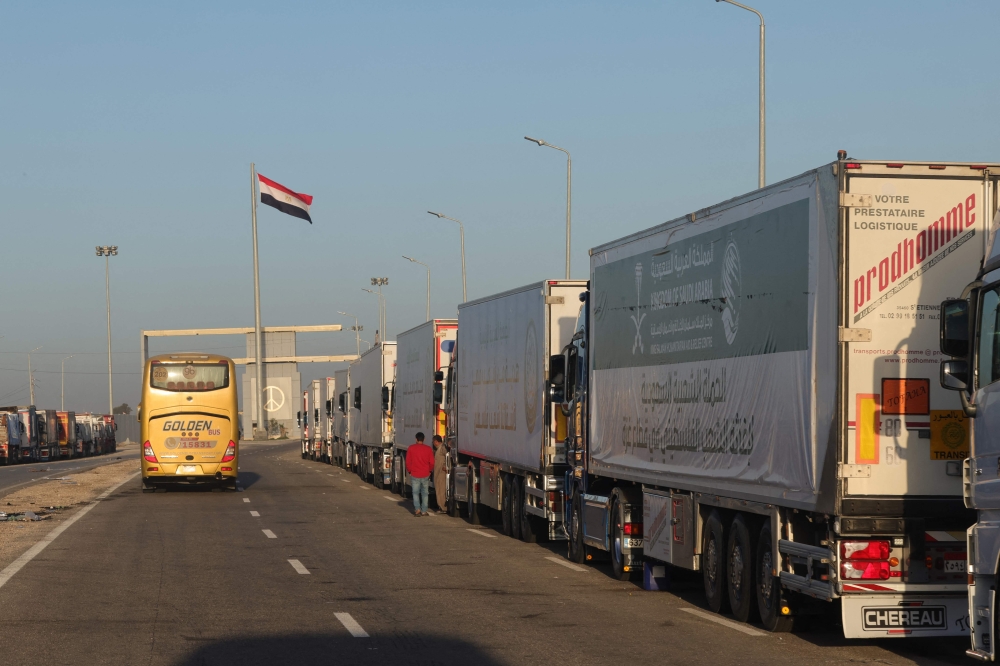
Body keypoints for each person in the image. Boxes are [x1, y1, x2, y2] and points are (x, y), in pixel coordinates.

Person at [405, 432, 434, 516]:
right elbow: (432, 462)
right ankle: (424, 510)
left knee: (415, 492)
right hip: (425, 474)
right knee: (425, 493)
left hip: (414, 474)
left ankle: (417, 509)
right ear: (424, 439)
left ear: (416, 439)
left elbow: (408, 462)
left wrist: (410, 471)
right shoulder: (428, 449)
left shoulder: (411, 448)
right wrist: (429, 471)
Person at [433, 435, 448, 513]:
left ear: (436, 441)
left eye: (434, 441)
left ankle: (443, 507)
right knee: (438, 489)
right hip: (438, 472)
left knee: (441, 490)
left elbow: (447, 456)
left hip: (441, 473)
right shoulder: (438, 449)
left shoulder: (442, 448)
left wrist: (446, 465)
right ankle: (441, 506)